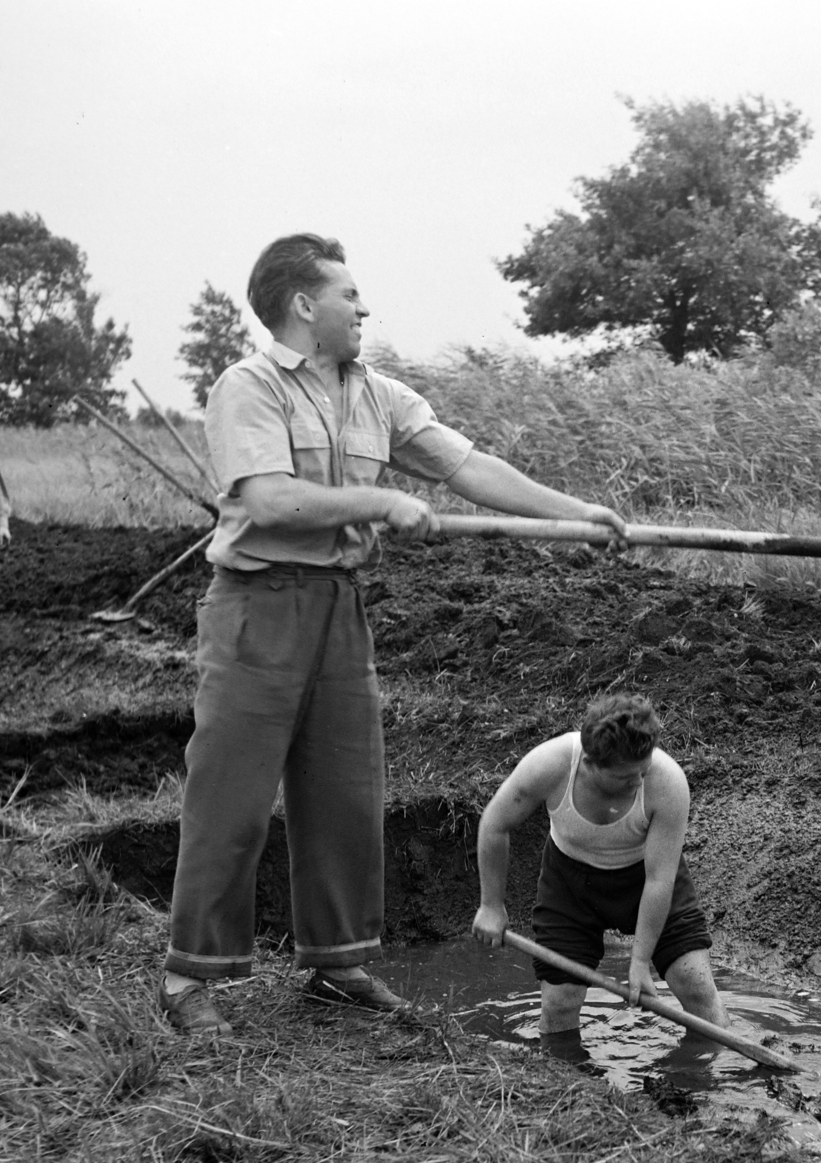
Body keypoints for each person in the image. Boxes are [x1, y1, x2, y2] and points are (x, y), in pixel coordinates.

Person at [158, 233, 626, 1036]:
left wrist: (571, 514)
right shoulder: (250, 387)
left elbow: (467, 467)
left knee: (346, 792)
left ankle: (336, 966)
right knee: (230, 798)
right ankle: (188, 979)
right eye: (348, 294)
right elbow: (269, 501)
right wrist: (380, 505)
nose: (363, 306)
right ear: (305, 305)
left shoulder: (378, 394)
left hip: (340, 607)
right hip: (257, 605)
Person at [471, 693, 727, 1036]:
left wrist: (639, 962)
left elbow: (659, 879)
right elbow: (494, 823)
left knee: (695, 986)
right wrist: (491, 905)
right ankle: (568, 1083)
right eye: (625, 777)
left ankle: (714, 1073)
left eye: (643, 770)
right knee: (559, 1004)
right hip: (570, 883)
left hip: (645, 882)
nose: (638, 782)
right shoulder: (552, 764)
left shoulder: (668, 782)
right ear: (591, 764)